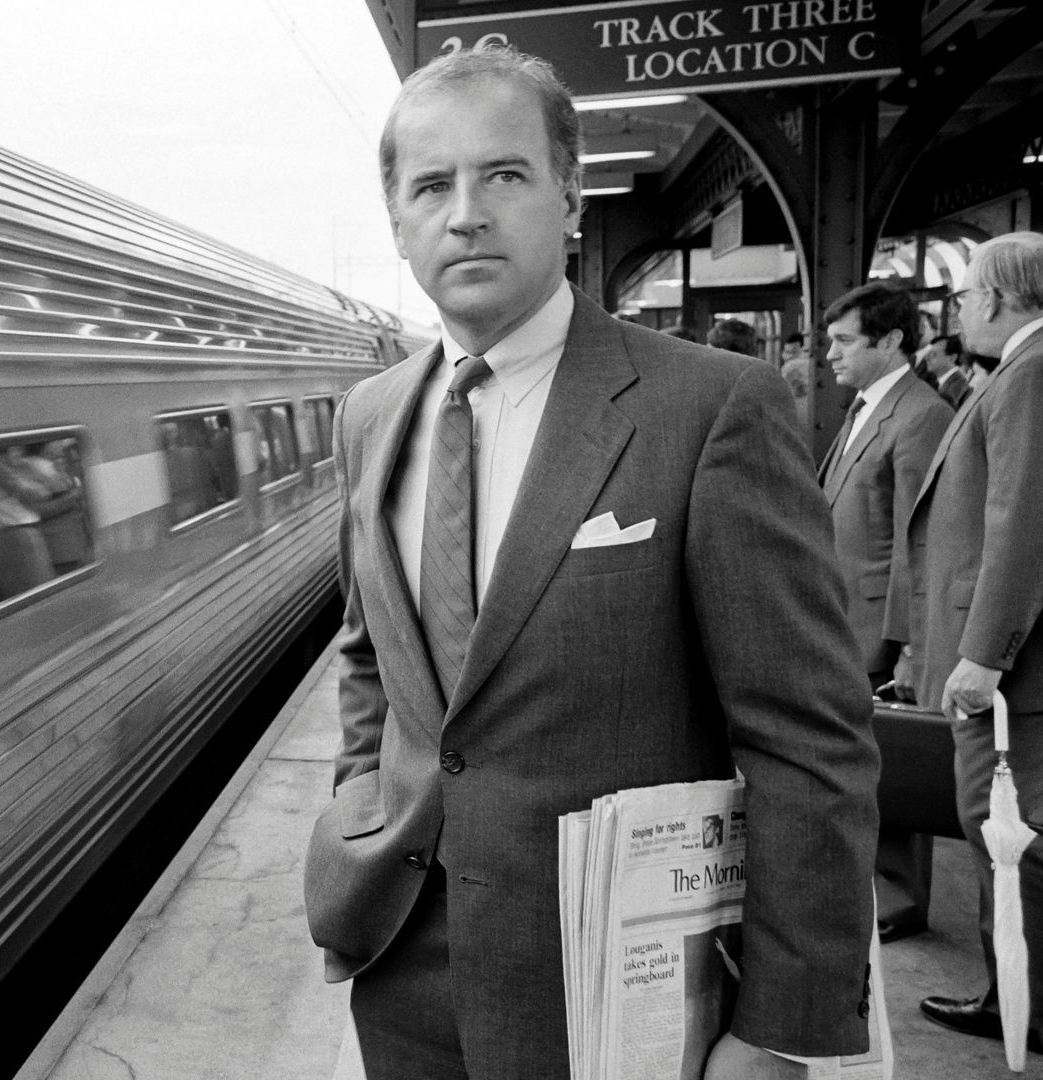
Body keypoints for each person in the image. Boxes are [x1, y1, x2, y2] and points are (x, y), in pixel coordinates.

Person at [302, 44, 878, 1080]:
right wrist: (362, 811)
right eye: (432, 185)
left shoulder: (709, 409)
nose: (465, 212)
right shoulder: (370, 417)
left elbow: (808, 737)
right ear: (398, 221)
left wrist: (782, 1025)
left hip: (621, 993)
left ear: (569, 196)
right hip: (400, 970)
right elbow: (366, 658)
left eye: (505, 174)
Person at [904, 231, 1043, 1051]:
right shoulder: (1019, 375)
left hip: (1014, 673)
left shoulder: (1027, 376)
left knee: (1009, 835)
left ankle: (1021, 999)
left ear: (993, 298)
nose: (958, 314)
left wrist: (984, 652)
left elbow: (1020, 522)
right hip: (1015, 667)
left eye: (962, 298)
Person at [817, 282, 954, 943]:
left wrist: (906, 642)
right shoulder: (868, 407)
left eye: (844, 342)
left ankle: (897, 898)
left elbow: (917, 539)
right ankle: (869, 884)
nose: (828, 355)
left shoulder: (919, 415)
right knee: (861, 763)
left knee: (888, 764)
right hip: (845, 619)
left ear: (892, 341)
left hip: (876, 627)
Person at [921, 334, 973, 409]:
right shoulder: (935, 383)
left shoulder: (958, 388)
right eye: (927, 354)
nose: (926, 358)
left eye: (933, 354)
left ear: (952, 358)